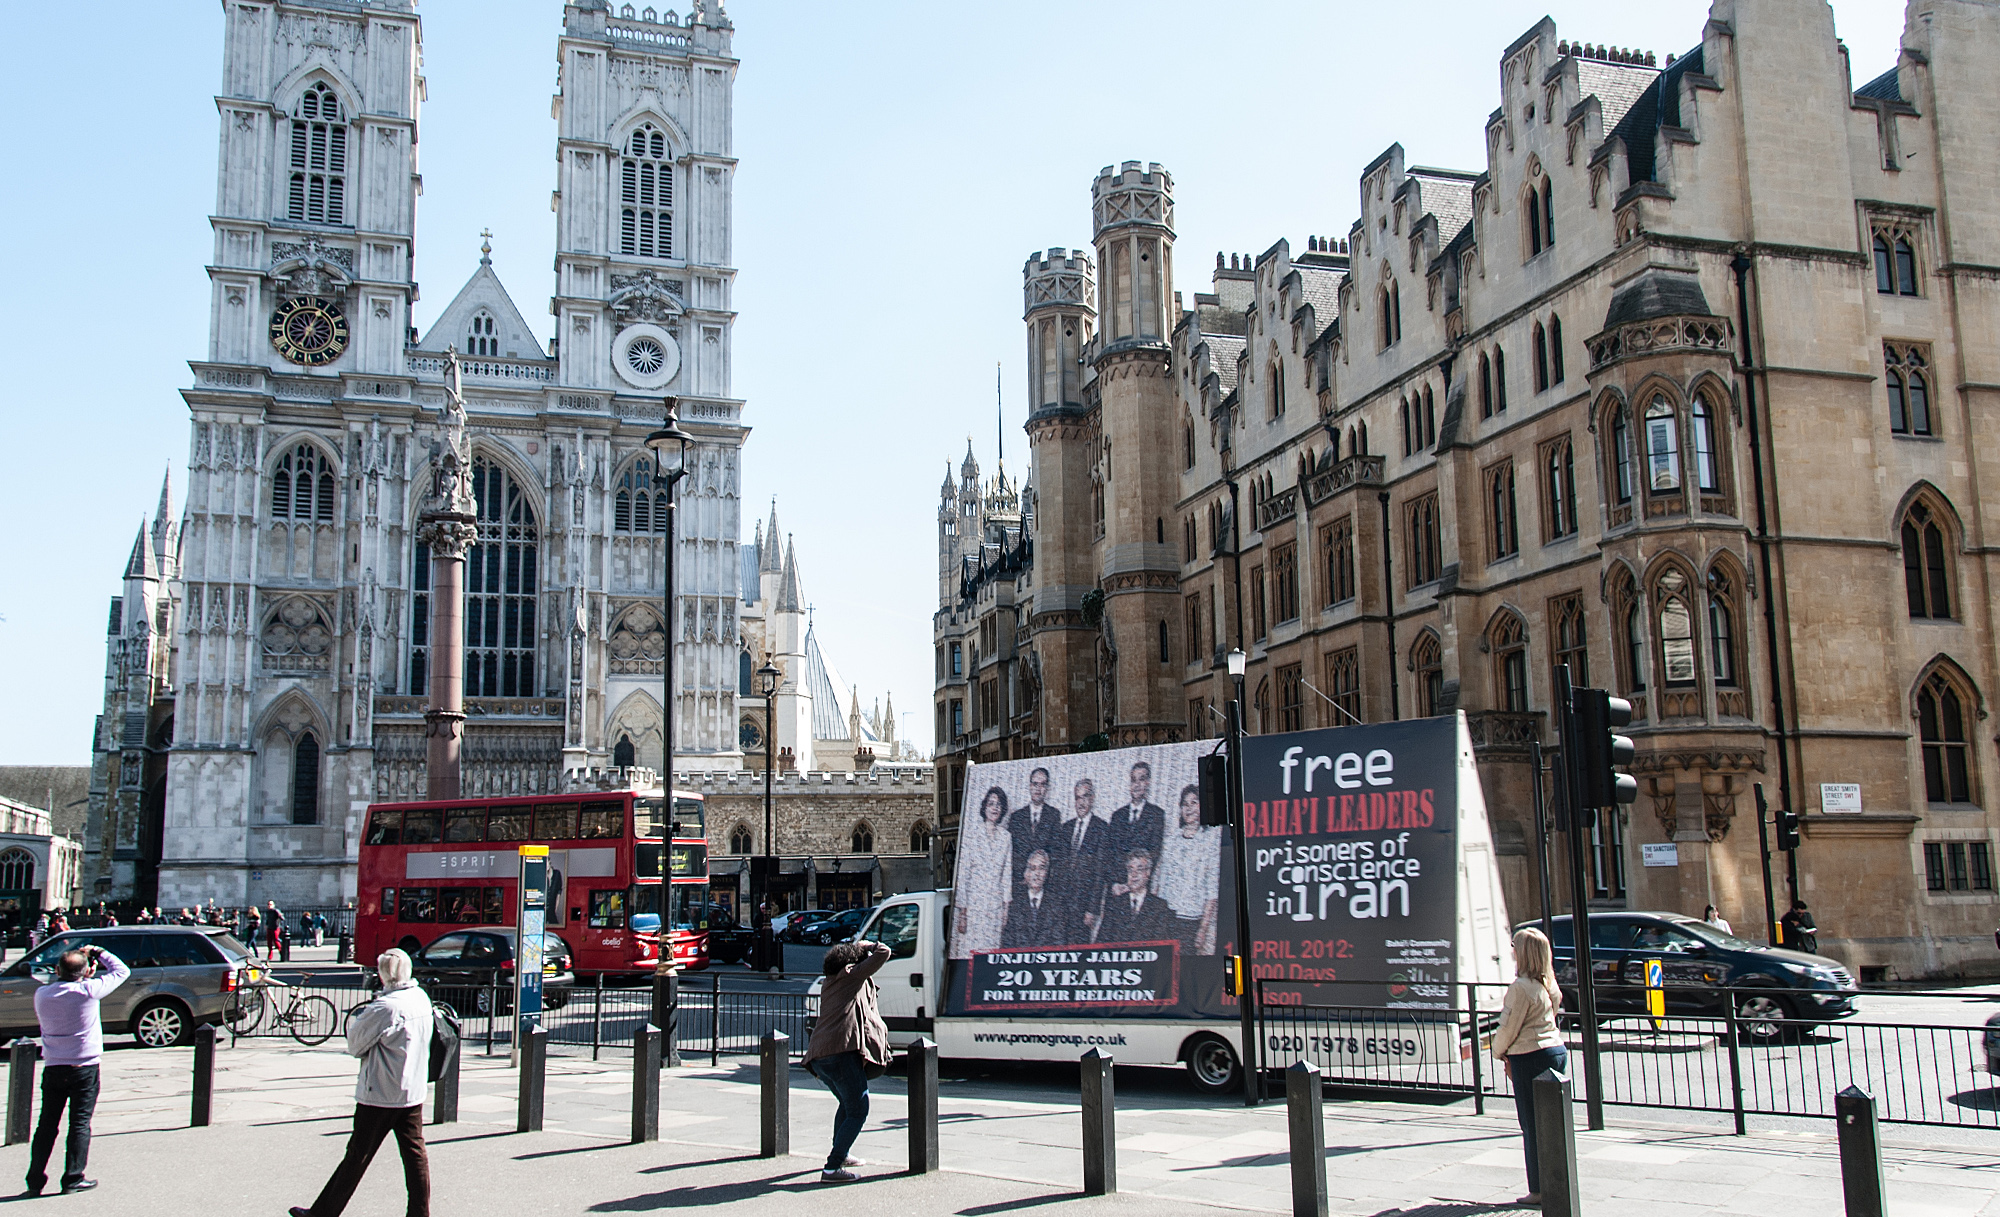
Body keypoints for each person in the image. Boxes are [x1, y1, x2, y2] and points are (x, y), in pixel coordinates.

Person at [290, 948, 434, 1217]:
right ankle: (419, 1212)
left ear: (384, 974)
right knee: (415, 1154)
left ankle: (324, 1212)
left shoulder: (385, 1007)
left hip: (380, 1091)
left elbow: (355, 1044)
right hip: (412, 1089)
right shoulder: (420, 998)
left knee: (357, 1156)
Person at [26, 943, 130, 1196]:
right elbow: (121, 971)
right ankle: (73, 1177)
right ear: (85, 973)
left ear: (57, 970)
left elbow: (62, 980)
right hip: (84, 1066)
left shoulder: (42, 994)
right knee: (80, 1123)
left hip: (54, 1065)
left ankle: (35, 1179)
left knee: (47, 1124)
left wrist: (81, 970)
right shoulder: (88, 991)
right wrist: (97, 951)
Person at [801, 940, 891, 1184]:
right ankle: (832, 1168)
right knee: (859, 1108)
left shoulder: (830, 981)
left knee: (846, 1103)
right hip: (839, 1053)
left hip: (820, 1056)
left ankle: (841, 1154)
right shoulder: (850, 975)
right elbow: (884, 953)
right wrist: (869, 946)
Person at [1490, 927, 1567, 1208]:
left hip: (1529, 1056)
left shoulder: (1521, 987)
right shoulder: (1549, 984)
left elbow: (1508, 1027)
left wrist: (1499, 1053)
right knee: (1553, 1125)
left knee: (1532, 1126)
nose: (1511, 950)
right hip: (1554, 1051)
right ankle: (1558, 1182)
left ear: (1523, 953)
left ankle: (1538, 1189)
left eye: (1514, 946)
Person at [1155, 784, 1222, 955]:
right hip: (1165, 917)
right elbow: (1160, 881)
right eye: (1185, 804)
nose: (1189, 808)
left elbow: (1212, 892)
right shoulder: (1171, 840)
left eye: (1194, 803)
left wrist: (1203, 929)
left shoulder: (1209, 843)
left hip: (1190, 921)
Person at [950, 787, 1014, 958]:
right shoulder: (972, 835)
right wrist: (963, 913)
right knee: (970, 952)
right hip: (973, 907)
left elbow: (1006, 875)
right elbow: (963, 875)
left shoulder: (1006, 837)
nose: (995, 808)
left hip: (995, 907)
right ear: (984, 807)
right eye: (991, 804)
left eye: (999, 805)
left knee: (991, 954)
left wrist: (1006, 910)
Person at [1056, 778, 1110, 944]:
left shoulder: (1101, 828)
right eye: (1078, 797)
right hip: (1062, 905)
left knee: (1079, 950)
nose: (1081, 802)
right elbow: (1059, 868)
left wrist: (1092, 909)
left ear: (1092, 798)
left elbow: (1100, 873)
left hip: (1083, 906)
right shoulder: (1065, 828)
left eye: (1085, 796)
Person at [1093, 851, 1177, 944]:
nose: (1134, 875)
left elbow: (1162, 946)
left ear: (1148, 872)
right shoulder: (1114, 905)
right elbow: (1101, 943)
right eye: (1130, 870)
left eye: (1139, 869)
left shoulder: (1159, 907)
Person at [1006, 768, 1065, 892]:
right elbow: (1011, 851)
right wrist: (1025, 873)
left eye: (1043, 784)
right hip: (1020, 882)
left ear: (1047, 788)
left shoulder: (1053, 815)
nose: (1038, 788)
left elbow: (1056, 851)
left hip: (1043, 884)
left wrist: (1040, 875)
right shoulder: (1016, 817)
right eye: (1035, 784)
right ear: (1029, 786)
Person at [1105, 763, 1167, 880]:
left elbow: (1154, 854)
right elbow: (1109, 854)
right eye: (1133, 780)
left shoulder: (1156, 815)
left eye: (1141, 779)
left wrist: (1133, 882)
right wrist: (1115, 883)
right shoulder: (1117, 815)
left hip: (1140, 886)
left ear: (1148, 783)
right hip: (1116, 887)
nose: (1136, 785)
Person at [1003, 851, 1063, 947]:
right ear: (1026, 873)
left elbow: (1059, 942)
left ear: (1047, 873)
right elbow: (1008, 943)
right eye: (1032, 868)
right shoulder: (1015, 904)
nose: (1037, 874)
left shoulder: (1056, 904)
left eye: (1041, 868)